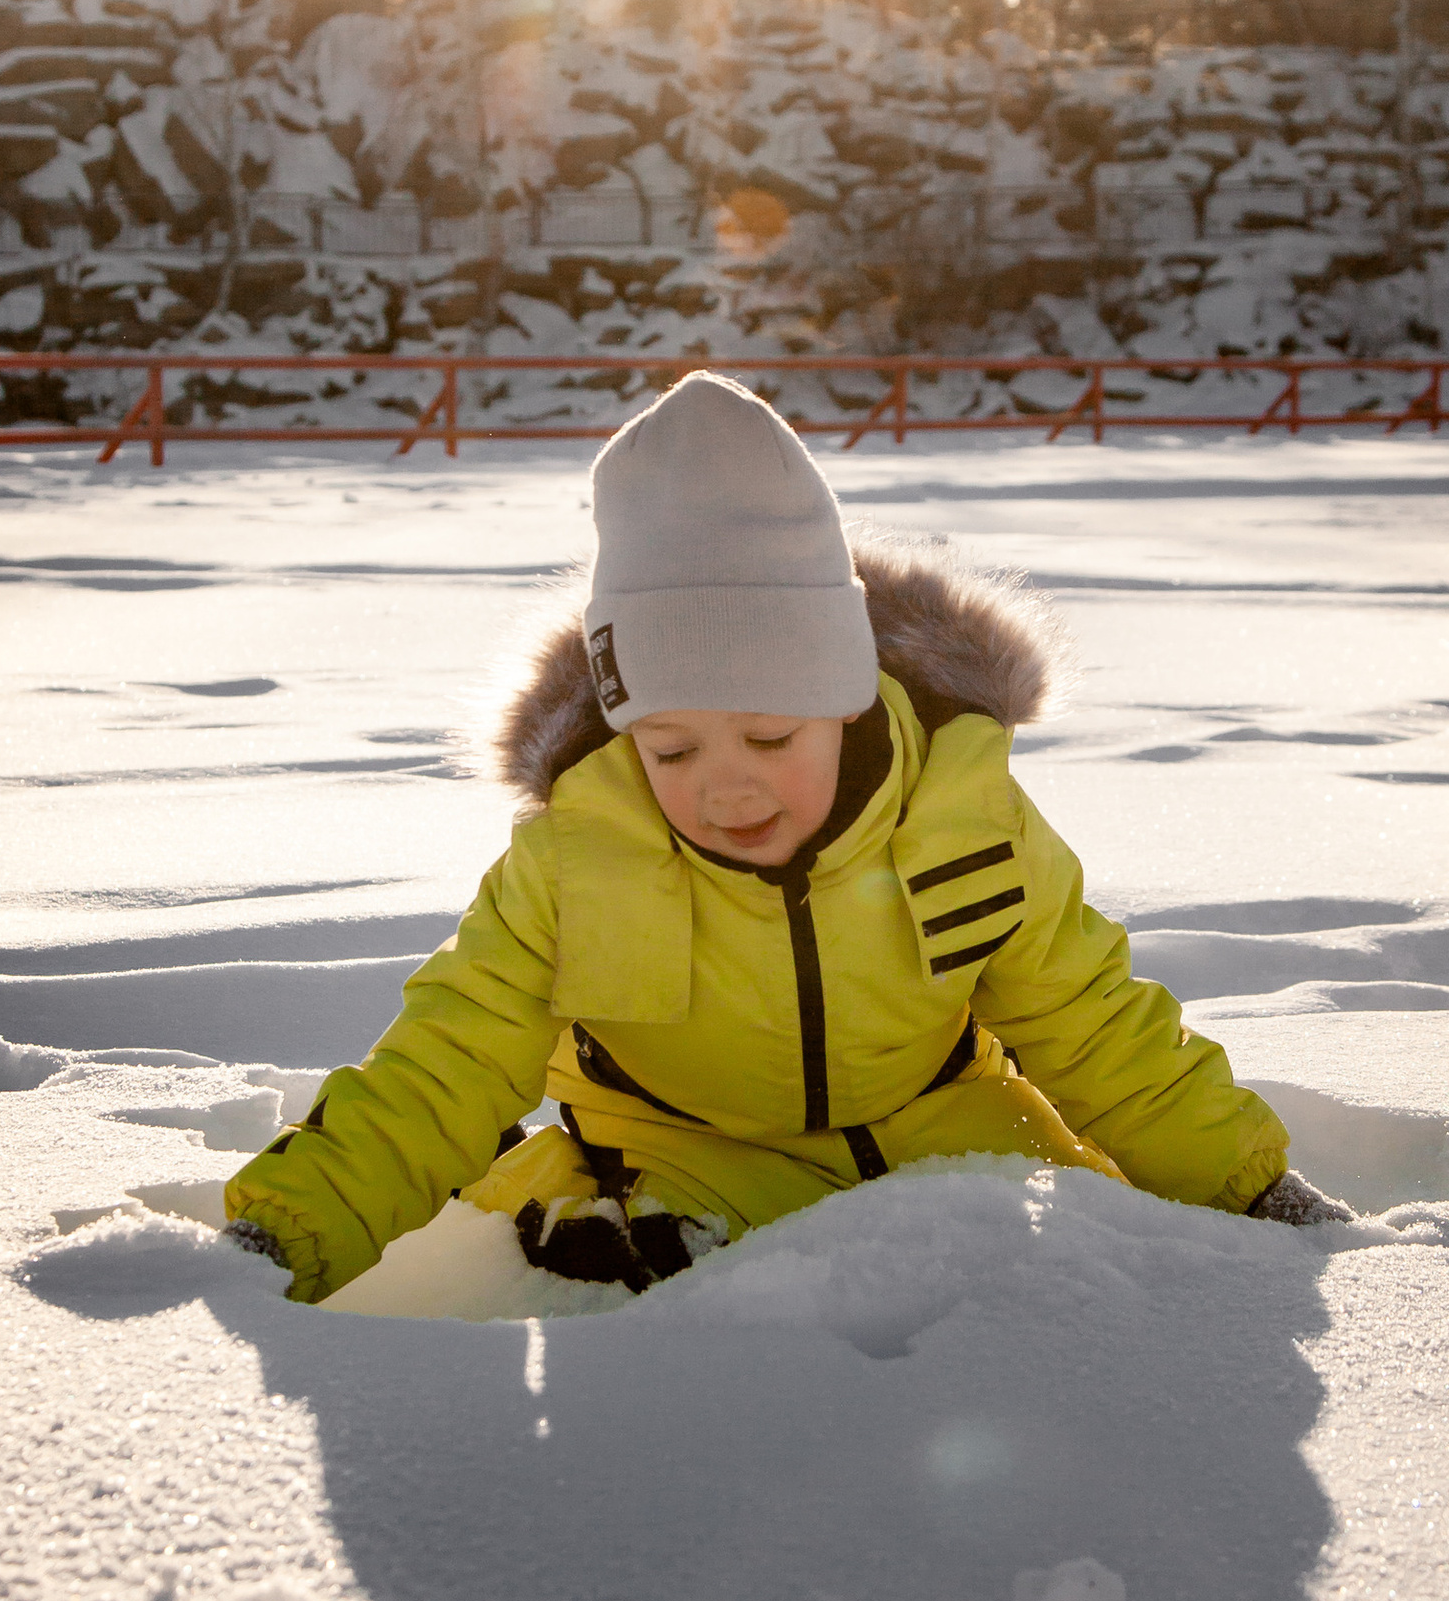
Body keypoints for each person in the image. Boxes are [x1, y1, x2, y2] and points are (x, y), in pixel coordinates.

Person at [224, 373, 1351, 1306]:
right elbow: (447, 1063)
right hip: (677, 1144)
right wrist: (286, 1232)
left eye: (768, 734)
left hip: (955, 1132)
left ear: (844, 696)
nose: (726, 789)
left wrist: (1248, 1187)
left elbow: (1093, 1023)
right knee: (613, 1256)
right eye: (670, 751)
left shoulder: (962, 815)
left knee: (1100, 1272)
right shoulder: (578, 856)